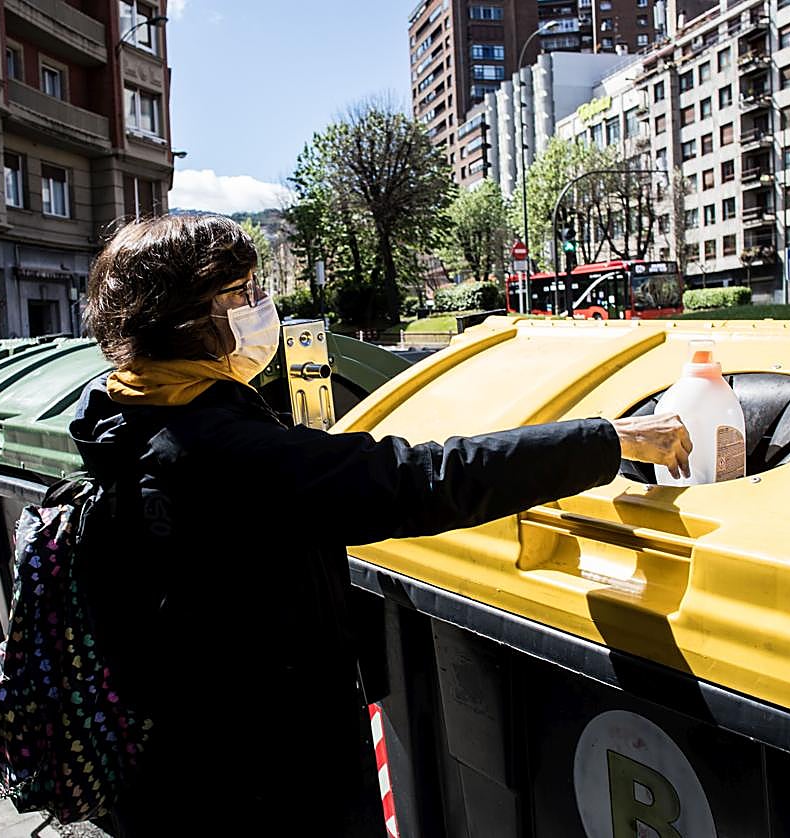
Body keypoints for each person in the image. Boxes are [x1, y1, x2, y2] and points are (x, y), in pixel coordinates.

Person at [70, 214, 691, 837]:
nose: (262, 307)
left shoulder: (128, 417)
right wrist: (610, 440)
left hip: (179, 776)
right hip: (262, 787)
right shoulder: (213, 450)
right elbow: (421, 481)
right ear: (183, 318)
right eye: (241, 293)